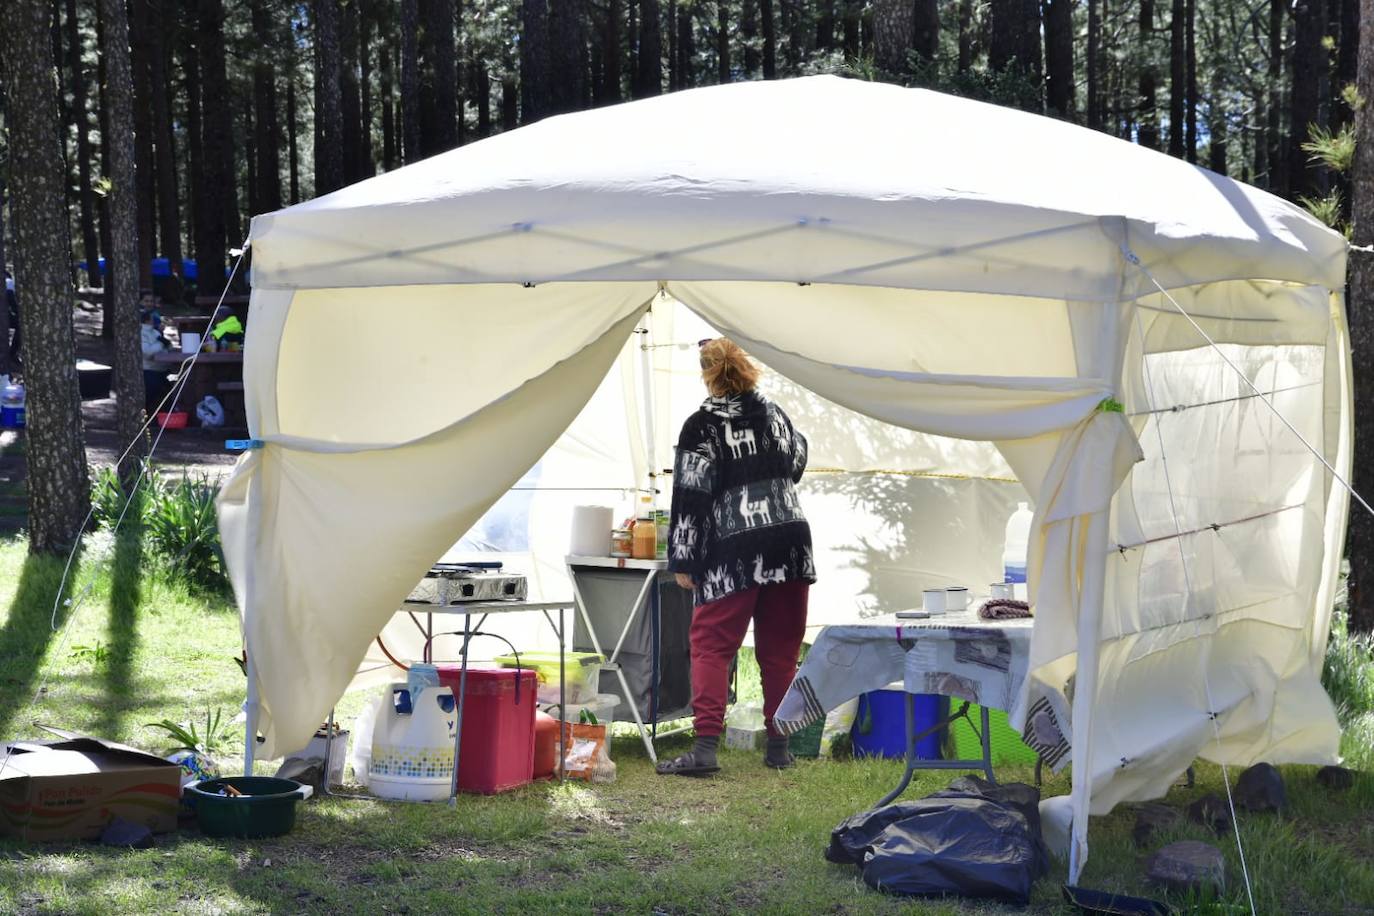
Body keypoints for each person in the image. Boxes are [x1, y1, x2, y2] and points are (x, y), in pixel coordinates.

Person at [656, 338, 815, 777]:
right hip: (790, 543)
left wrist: (684, 560)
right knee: (780, 650)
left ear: (707, 374)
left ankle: (705, 749)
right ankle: (779, 747)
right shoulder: (775, 414)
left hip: (734, 549)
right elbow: (797, 461)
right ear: (746, 368)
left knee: (710, 645)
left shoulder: (700, 426)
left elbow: (690, 495)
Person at [141, 297, 170, 413]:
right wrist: (160, 344)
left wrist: (166, 344)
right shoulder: (142, 333)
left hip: (162, 369)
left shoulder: (155, 332)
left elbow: (168, 347)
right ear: (148, 321)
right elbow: (147, 352)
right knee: (153, 390)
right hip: (149, 370)